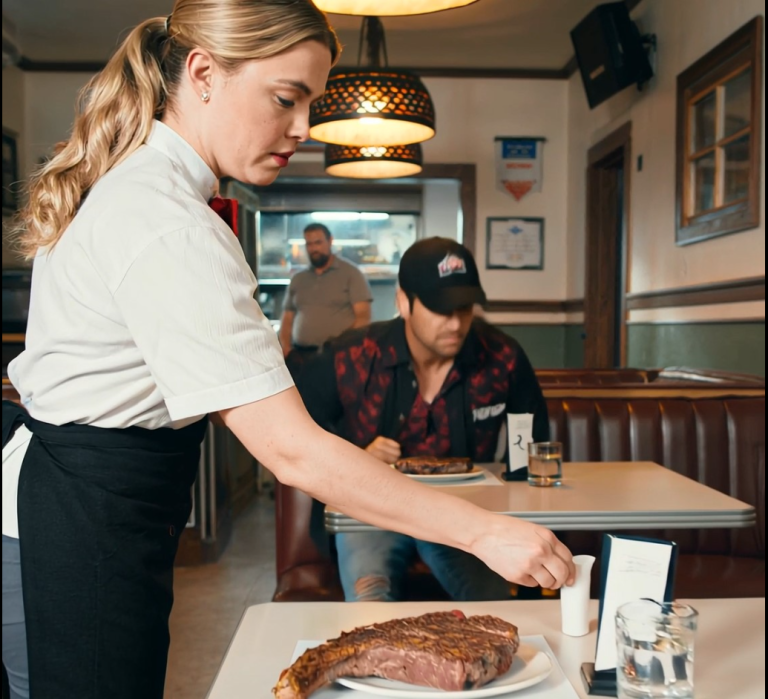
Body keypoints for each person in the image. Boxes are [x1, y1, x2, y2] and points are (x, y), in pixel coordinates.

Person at [0, 3, 573, 698]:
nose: (303, 129)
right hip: (72, 526)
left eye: (309, 103)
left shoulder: (148, 192)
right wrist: (484, 531)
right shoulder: (166, 222)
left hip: (84, 509)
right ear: (203, 74)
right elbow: (293, 450)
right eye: (285, 99)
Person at [293, 237, 550, 602]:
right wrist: (355, 454)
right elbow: (298, 431)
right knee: (371, 604)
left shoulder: (502, 357)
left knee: (500, 604)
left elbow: (532, 442)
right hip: (372, 509)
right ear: (403, 302)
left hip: (463, 510)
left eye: (464, 308)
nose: (455, 323)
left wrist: (514, 500)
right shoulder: (351, 356)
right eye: (439, 308)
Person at [278, 222, 372, 357]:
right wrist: (285, 347)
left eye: (318, 243)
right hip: (300, 355)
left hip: (338, 356)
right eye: (309, 244)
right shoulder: (298, 279)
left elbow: (363, 318)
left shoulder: (351, 274)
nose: (313, 249)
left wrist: (344, 346)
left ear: (330, 241)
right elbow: (287, 317)